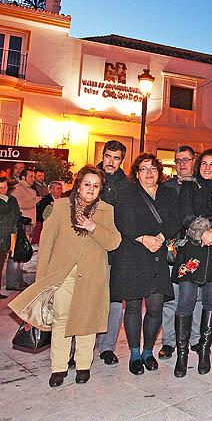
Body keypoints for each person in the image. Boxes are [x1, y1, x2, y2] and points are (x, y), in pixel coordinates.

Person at [9, 165, 121, 387]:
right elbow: (47, 243)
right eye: (87, 184)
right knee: (61, 320)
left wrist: (93, 227)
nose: (91, 189)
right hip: (62, 274)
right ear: (78, 186)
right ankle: (58, 367)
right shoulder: (60, 207)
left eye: (96, 185)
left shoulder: (106, 210)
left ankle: (83, 365)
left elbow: (114, 242)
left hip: (91, 276)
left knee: (86, 321)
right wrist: (42, 280)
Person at [110, 154, 180, 376]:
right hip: (132, 254)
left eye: (153, 169)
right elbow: (120, 219)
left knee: (155, 306)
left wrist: (160, 236)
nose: (149, 173)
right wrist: (142, 238)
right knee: (132, 307)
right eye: (143, 169)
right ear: (137, 173)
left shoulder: (168, 193)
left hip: (157, 255)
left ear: (159, 171)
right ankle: (134, 354)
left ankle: (148, 351)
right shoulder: (126, 192)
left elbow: (176, 219)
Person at [174, 149, 212, 377]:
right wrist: (202, 231)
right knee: (186, 302)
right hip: (192, 251)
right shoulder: (188, 187)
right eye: (204, 164)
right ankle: (182, 356)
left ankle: (204, 351)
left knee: (211, 302)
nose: (208, 167)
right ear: (198, 165)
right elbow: (185, 215)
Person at [158, 146, 203, 360]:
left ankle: (194, 339)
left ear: (194, 160)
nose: (182, 164)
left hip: (197, 249)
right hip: (173, 249)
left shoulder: (201, 185)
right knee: (171, 298)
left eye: (186, 159)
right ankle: (169, 341)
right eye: (178, 161)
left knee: (197, 297)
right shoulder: (165, 188)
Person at [95, 140, 130, 366]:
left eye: (116, 158)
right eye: (108, 156)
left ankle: (107, 347)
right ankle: (80, 347)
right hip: (90, 249)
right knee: (87, 298)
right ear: (103, 154)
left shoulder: (127, 185)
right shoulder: (90, 177)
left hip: (116, 251)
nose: (111, 162)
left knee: (115, 302)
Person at [7, 168, 40, 291]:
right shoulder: (17, 189)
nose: (33, 179)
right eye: (31, 176)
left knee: (23, 253)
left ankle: (19, 280)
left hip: (29, 224)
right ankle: (13, 281)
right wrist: (34, 201)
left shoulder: (31, 190)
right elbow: (19, 204)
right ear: (23, 178)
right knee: (16, 252)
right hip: (20, 225)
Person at [0, 177, 21, 299]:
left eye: (5, 187)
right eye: (0, 188)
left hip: (8, 236)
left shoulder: (12, 199)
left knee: (1, 263)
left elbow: (16, 213)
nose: (3, 190)